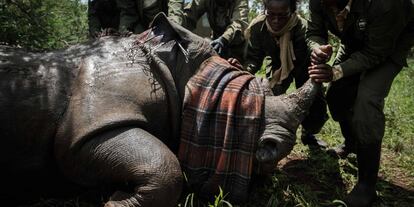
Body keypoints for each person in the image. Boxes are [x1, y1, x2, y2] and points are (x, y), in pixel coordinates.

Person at [306, 0, 414, 206]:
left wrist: (336, 71)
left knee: (367, 101)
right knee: (336, 95)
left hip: (389, 47)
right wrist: (317, 48)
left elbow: (375, 52)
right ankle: (352, 143)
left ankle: (367, 185)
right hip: (353, 41)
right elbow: (314, 31)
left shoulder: (387, 5)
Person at [244, 0, 328, 149]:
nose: (276, 21)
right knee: (271, 97)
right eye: (271, 15)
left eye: (282, 16)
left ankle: (308, 133)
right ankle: (268, 134)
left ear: (292, 12)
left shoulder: (303, 28)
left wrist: (319, 56)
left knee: (317, 108)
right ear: (265, 10)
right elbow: (253, 58)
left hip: (305, 67)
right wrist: (244, 72)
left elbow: (313, 46)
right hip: (278, 68)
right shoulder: (258, 27)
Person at [181, 0, 248, 63]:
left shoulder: (240, 1)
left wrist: (224, 39)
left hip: (237, 47)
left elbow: (239, 23)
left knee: (238, 71)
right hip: (216, 43)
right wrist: (176, 28)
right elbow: (189, 15)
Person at [116, 0, 184, 34]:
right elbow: (128, 13)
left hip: (168, 19)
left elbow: (175, 4)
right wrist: (124, 32)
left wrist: (173, 21)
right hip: (143, 24)